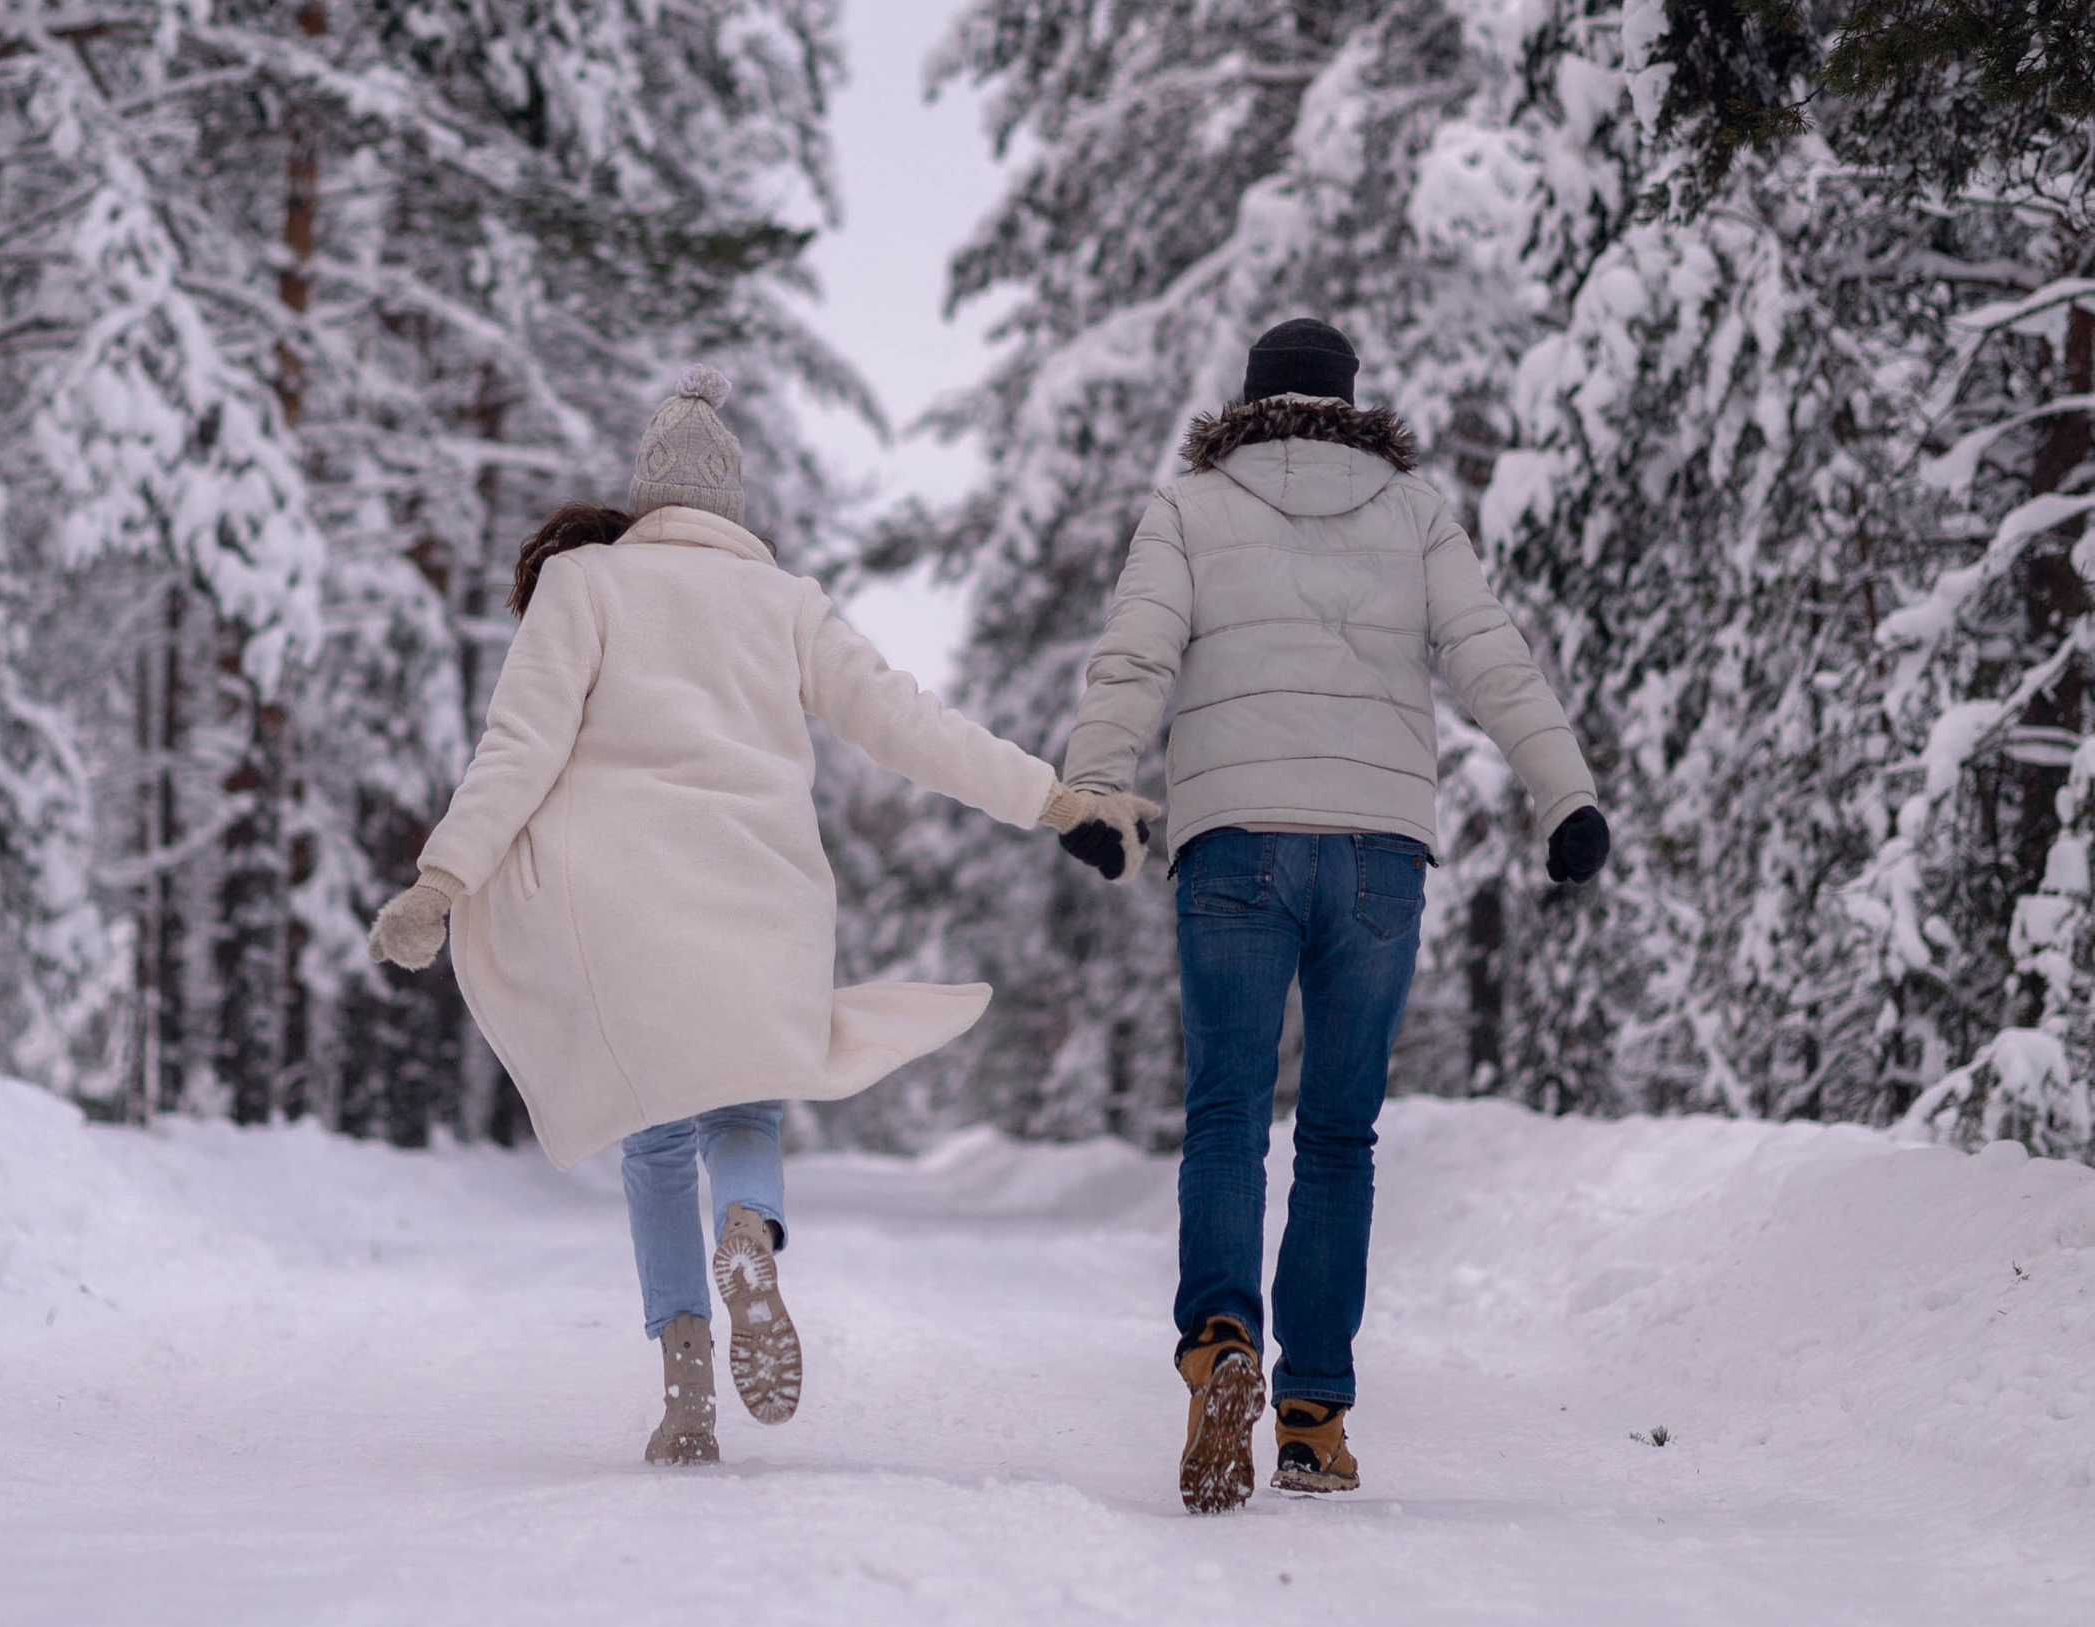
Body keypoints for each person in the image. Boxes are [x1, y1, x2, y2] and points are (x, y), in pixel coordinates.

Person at [367, 366, 1145, 1464]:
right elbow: (905, 724)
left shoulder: (584, 584)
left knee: (655, 1137)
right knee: (745, 1109)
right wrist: (1051, 799)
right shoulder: (786, 606)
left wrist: (442, 882)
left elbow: (519, 747)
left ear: (644, 500)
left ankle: (687, 1394)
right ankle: (749, 1232)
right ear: (733, 510)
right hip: (758, 890)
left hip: (621, 900)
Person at [1055, 314, 1608, 1516]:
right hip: (1374, 857)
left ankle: (1219, 1346)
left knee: (1225, 1121)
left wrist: (1098, 786)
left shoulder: (1190, 505)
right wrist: (1563, 792)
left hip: (1234, 845)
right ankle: (1311, 1416)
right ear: (1351, 406)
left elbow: (1133, 656)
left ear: (1247, 402)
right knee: (1339, 1138)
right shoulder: (1412, 513)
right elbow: (1492, 660)